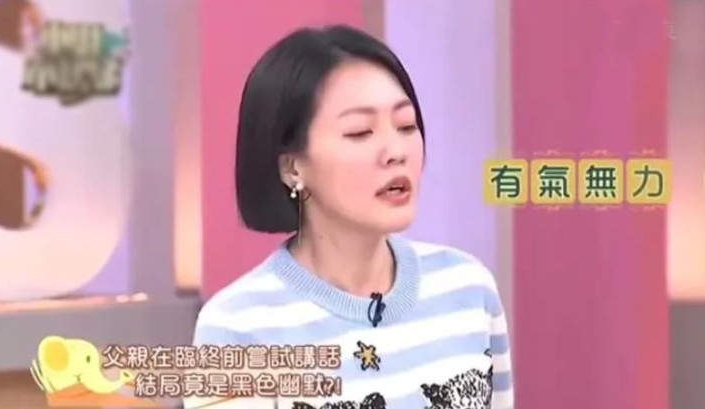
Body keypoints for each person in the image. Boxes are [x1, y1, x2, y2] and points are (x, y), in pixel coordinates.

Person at [187, 25, 513, 409]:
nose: (396, 151)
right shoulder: (237, 327)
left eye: (406, 126)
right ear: (292, 167)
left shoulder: (467, 288)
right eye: (360, 132)